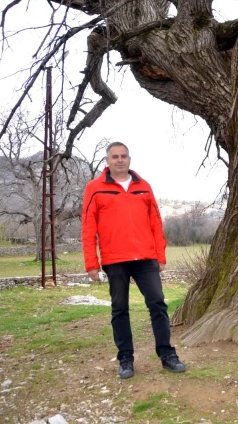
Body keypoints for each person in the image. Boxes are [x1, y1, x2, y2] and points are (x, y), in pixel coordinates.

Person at [81, 142, 186, 379]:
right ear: (107, 161)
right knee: (120, 309)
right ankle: (126, 358)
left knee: (158, 303)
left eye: (124, 156)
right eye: (115, 156)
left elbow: (156, 223)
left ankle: (167, 354)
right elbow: (88, 227)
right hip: (115, 259)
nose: (120, 160)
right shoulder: (94, 188)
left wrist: (160, 254)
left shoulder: (143, 186)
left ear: (130, 159)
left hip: (146, 258)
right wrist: (91, 263)